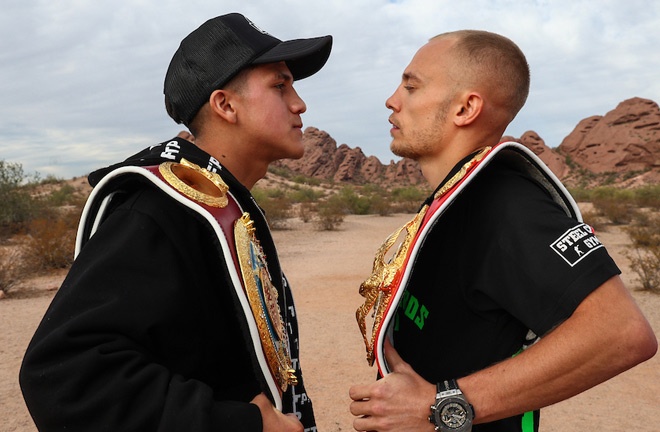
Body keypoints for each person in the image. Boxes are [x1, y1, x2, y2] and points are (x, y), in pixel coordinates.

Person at [20, 13, 332, 432]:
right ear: (225, 105)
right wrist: (242, 424)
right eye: (280, 85)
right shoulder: (157, 212)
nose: (299, 103)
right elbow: (64, 376)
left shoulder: (219, 204)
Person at [350, 30, 657, 432]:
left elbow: (620, 332)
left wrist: (439, 405)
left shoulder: (507, 201)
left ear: (465, 108)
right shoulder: (460, 196)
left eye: (411, 86)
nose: (393, 99)